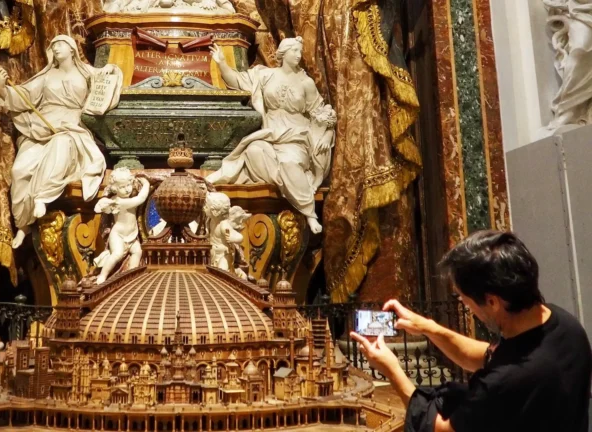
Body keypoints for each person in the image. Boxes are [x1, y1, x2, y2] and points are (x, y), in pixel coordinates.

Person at [351, 230, 592, 432]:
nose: (467, 307)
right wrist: (430, 329)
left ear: (493, 302)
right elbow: (488, 355)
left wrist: (391, 369)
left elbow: (440, 428)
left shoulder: (507, 382)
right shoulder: (565, 326)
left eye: (465, 301)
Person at [0, 35, 122, 249]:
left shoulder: (84, 72)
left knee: (62, 145)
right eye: (53, 46)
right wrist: (1, 87)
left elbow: (105, 77)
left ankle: (42, 196)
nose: (56, 48)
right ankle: (23, 225)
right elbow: (22, 95)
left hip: (70, 127)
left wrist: (109, 70)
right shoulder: (45, 77)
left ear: (72, 49)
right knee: (19, 171)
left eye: (60, 44)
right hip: (41, 127)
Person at [206, 37, 336, 234]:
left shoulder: (306, 83)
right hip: (270, 133)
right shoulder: (265, 75)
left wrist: (326, 136)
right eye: (295, 51)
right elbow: (237, 81)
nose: (299, 55)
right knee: (253, 150)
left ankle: (309, 214)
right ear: (283, 54)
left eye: (300, 52)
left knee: (288, 163)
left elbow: (322, 115)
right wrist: (222, 63)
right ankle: (289, 186)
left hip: (296, 137)